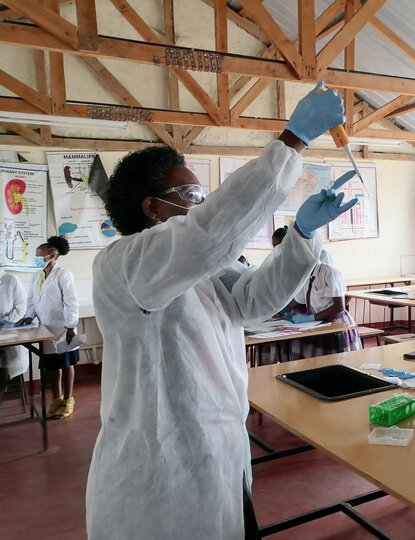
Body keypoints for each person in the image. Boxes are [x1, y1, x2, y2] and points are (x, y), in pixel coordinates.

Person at [85, 82, 357, 540]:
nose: (203, 206)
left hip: (221, 455)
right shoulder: (125, 263)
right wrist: (291, 141)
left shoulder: (203, 268)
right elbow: (209, 233)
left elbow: (254, 301)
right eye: (191, 197)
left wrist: (303, 233)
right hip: (161, 474)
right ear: (152, 209)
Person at [16, 236, 79, 419]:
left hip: (63, 327)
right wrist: (28, 316)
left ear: (52, 255)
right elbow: (32, 300)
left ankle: (68, 400)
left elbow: (71, 303)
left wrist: (70, 326)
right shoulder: (36, 275)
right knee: (52, 366)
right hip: (45, 328)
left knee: (66, 363)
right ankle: (56, 398)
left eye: (39, 254)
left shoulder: (64, 275)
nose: (36, 257)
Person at [287, 250, 361, 360]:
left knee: (336, 360)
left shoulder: (330, 273)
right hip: (317, 322)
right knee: (315, 359)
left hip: (335, 323)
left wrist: (311, 318)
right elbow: (299, 300)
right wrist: (279, 309)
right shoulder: (306, 275)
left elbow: (339, 307)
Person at [0, 268, 27, 400]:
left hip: (9, 334)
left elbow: (21, 308)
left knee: (4, 367)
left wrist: (4, 322)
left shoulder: (10, 280)